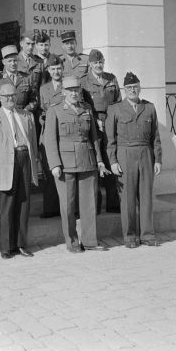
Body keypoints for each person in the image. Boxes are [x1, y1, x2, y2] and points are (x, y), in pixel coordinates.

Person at [44, 76, 109, 253]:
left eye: (76, 90)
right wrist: (54, 164)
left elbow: (94, 137)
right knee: (68, 205)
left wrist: (100, 160)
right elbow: (49, 140)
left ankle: (90, 241)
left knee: (89, 203)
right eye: (70, 90)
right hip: (65, 164)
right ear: (63, 92)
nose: (74, 93)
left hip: (87, 159)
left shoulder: (87, 108)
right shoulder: (55, 110)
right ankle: (72, 242)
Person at [106, 72, 162, 248]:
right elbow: (110, 140)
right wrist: (113, 161)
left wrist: (158, 159)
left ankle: (147, 235)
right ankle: (130, 237)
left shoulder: (150, 108)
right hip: (125, 154)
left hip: (145, 153)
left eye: (135, 87)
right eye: (129, 88)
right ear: (124, 89)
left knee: (146, 196)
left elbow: (156, 137)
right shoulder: (115, 109)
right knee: (128, 198)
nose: (133, 90)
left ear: (140, 88)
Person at [0, 82, 39, 259]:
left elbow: (34, 144)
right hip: (5, 163)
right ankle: (7, 247)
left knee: (23, 203)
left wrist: (35, 165)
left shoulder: (27, 116)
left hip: (24, 159)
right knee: (7, 205)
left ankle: (21, 244)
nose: (10, 99)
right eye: (6, 96)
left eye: (13, 95)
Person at [80, 49, 122, 213]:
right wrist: (95, 120)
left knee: (111, 158)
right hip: (93, 123)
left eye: (101, 62)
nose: (98, 65)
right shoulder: (84, 81)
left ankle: (113, 203)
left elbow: (117, 102)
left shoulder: (111, 78)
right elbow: (82, 104)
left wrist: (112, 121)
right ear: (90, 64)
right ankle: (95, 206)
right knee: (95, 161)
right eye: (95, 63)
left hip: (110, 122)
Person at [38, 56, 65, 218]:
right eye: (53, 69)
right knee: (49, 171)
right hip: (48, 132)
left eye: (59, 68)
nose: (56, 71)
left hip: (63, 133)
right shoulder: (44, 88)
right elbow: (42, 109)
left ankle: (67, 208)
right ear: (48, 70)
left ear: (63, 68)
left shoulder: (68, 85)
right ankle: (51, 208)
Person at [0, 45, 38, 113]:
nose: (13, 63)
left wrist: (26, 110)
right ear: (3, 62)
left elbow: (34, 100)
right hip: (4, 117)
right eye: (9, 61)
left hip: (23, 115)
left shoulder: (27, 78)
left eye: (15, 60)